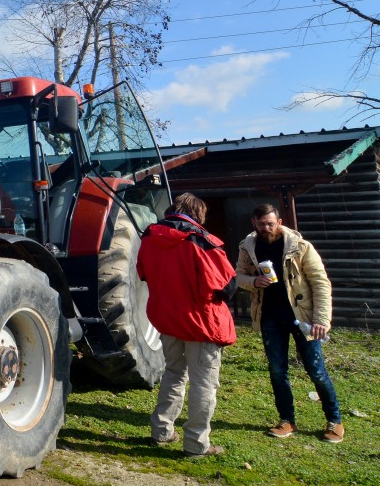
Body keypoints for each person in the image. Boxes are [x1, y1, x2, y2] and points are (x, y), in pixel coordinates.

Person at [137, 193, 237, 458]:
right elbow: (227, 287)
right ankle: (196, 444)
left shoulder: (149, 238)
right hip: (200, 323)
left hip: (167, 318)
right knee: (204, 382)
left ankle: (162, 430)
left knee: (173, 372)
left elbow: (144, 274)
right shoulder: (202, 242)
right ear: (199, 213)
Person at [235, 204, 344, 443]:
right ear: (254, 222)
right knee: (277, 371)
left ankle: (334, 421)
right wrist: (254, 282)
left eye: (271, 223)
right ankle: (287, 421)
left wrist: (322, 319)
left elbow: (321, 283)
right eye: (262, 224)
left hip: (303, 318)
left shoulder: (300, 246)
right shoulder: (248, 246)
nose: (267, 228)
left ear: (280, 221)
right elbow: (239, 276)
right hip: (270, 317)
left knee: (316, 371)